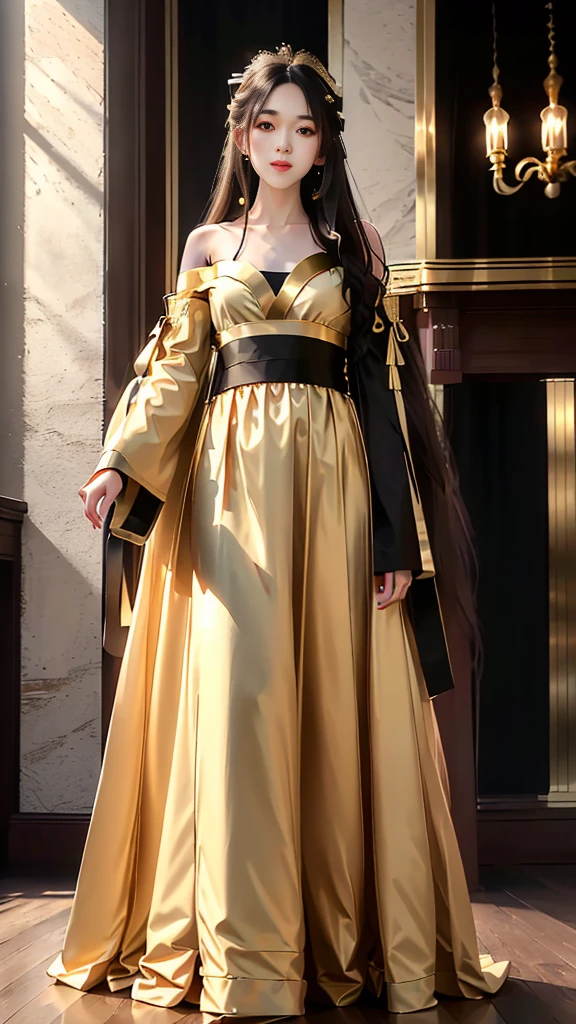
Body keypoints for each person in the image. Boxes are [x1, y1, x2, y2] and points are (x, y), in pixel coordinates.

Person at [47, 44, 509, 1018]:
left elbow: (383, 402)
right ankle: (241, 951)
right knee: (241, 701)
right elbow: (174, 369)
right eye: (269, 125)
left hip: (336, 494)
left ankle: (332, 939)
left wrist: (396, 540)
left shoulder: (358, 250)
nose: (286, 143)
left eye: (305, 127)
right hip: (224, 498)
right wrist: (116, 460)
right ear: (243, 136)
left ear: (324, 142)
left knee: (332, 710)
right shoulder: (208, 251)